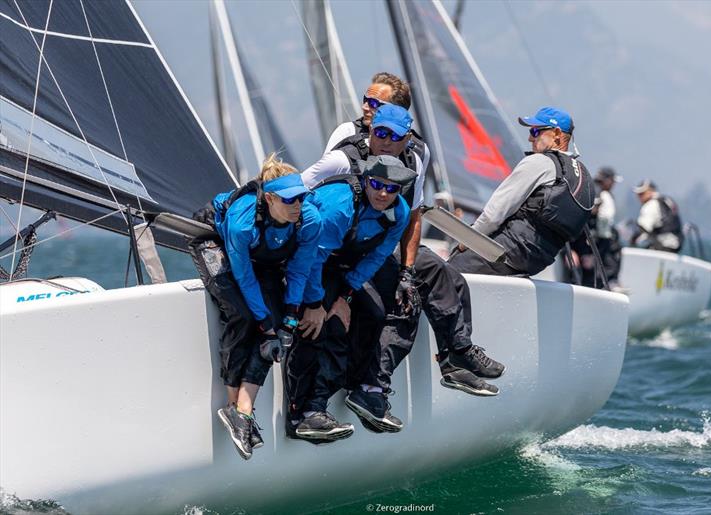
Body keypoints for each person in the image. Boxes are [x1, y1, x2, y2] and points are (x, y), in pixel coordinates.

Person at [311, 102, 505, 435]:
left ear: (406, 139)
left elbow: (410, 218)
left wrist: (406, 271)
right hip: (336, 250)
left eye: (393, 136)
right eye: (379, 132)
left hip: (378, 246)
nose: (384, 140)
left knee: (440, 277)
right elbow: (298, 192)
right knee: (388, 306)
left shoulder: (412, 162)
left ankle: (455, 356)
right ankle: (364, 389)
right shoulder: (344, 157)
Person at [189, 154, 321, 460]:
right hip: (215, 242)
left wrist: (289, 317)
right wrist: (264, 323)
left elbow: (301, 270)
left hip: (264, 257)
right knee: (245, 315)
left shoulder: (309, 219)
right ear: (270, 198)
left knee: (276, 329)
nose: (297, 206)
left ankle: (243, 412)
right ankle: (235, 408)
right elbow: (244, 278)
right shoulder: (242, 221)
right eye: (290, 201)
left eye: (301, 198)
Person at [287, 155, 415, 443]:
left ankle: (362, 392)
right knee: (322, 327)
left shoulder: (400, 212)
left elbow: (378, 257)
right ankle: (306, 413)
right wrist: (314, 305)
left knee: (374, 314)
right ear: (365, 179)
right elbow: (311, 258)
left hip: (339, 267)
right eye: (376, 184)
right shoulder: (340, 206)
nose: (383, 193)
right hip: (303, 259)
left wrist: (344, 295)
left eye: (392, 189)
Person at [449, 106, 595, 277]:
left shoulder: (539, 162)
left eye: (535, 131)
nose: (529, 138)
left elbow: (493, 215)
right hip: (537, 261)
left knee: (441, 275)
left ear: (556, 133)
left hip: (508, 250)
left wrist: (465, 242)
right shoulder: (582, 176)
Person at [631, 180, 683, 253]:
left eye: (642, 193)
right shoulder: (666, 200)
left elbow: (643, 227)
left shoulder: (651, 205)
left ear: (650, 191)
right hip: (676, 244)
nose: (639, 197)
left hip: (663, 246)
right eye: (638, 194)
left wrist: (632, 241)